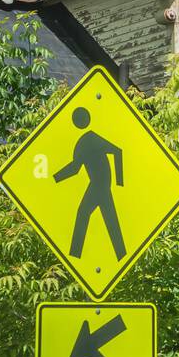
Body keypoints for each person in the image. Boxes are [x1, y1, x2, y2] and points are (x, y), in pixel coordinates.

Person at [54, 107, 126, 261]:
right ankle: (121, 254)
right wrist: (55, 178)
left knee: (84, 213)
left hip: (100, 184)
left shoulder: (90, 139)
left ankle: (75, 254)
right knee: (109, 219)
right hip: (99, 184)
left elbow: (118, 151)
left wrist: (120, 182)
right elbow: (75, 169)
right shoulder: (83, 142)